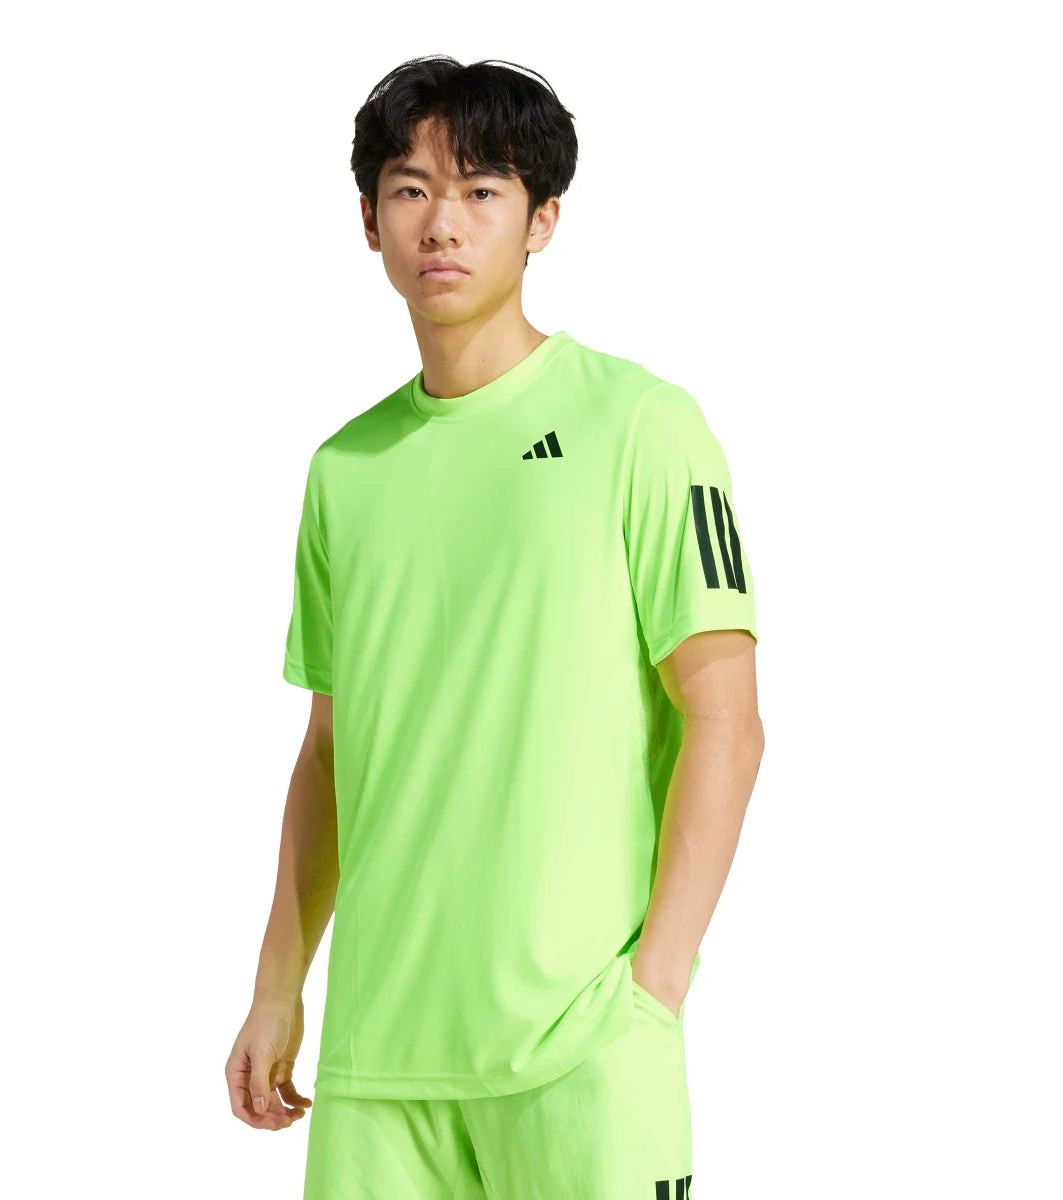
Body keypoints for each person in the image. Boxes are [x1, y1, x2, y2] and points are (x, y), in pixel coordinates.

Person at [226, 54, 764, 1199]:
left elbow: (726, 718)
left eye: (481, 190)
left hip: (577, 1055)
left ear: (542, 219)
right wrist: (280, 986)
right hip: (380, 1068)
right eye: (411, 189)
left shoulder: (640, 425)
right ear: (368, 220)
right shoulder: (346, 469)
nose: (443, 223)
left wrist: (654, 990)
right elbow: (330, 749)